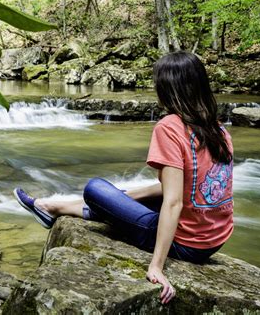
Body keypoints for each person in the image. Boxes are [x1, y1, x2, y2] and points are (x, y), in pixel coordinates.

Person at [14, 51, 234, 304]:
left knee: (96, 189)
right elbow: (187, 189)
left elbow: (173, 202)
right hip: (214, 238)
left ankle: (52, 207)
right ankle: (53, 207)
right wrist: (125, 196)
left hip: (185, 244)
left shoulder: (170, 127)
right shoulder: (218, 129)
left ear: (167, 88)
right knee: (117, 197)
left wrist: (157, 267)